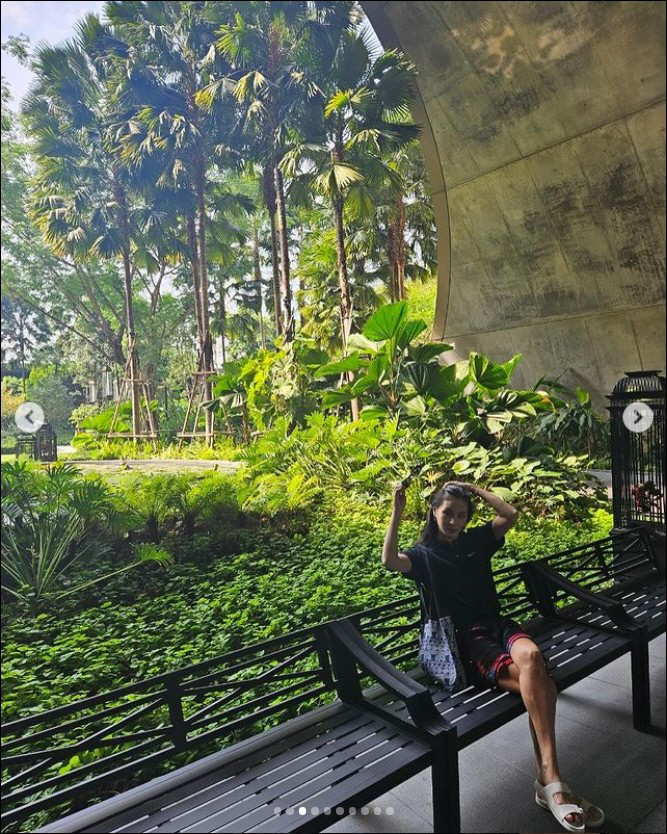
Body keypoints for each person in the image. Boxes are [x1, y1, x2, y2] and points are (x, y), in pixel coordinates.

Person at [381, 480, 605, 832]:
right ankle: (552, 780)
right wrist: (396, 510)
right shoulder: (423, 556)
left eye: (461, 515)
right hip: (468, 643)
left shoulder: (475, 541)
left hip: (498, 625)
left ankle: (548, 781)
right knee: (542, 686)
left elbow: (510, 514)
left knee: (532, 658)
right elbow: (390, 560)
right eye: (448, 513)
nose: (454, 521)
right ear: (434, 512)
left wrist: (474, 489)